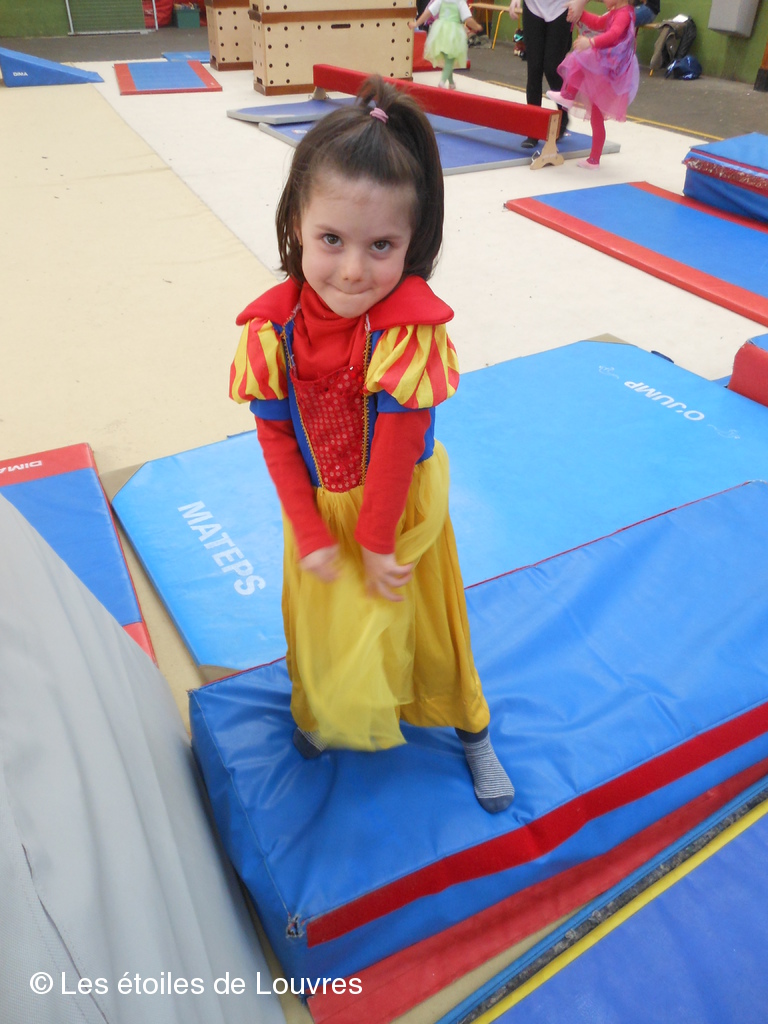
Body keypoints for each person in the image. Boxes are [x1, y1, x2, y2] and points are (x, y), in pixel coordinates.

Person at [229, 77, 514, 815]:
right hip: (319, 508)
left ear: (411, 243)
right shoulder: (271, 331)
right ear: (296, 223)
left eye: (381, 246)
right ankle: (320, 709)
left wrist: (378, 539)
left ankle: (471, 726)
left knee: (430, 626)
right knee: (323, 626)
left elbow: (399, 434)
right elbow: (274, 433)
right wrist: (310, 530)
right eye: (332, 240)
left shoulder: (407, 331)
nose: (354, 269)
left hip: (399, 507)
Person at [546, 0, 639, 169]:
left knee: (580, 57)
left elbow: (614, 34)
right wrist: (580, 13)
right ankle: (594, 160)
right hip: (607, 66)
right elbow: (597, 22)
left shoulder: (624, 14)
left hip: (610, 67)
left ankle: (568, 95)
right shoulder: (616, 12)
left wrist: (591, 42)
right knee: (596, 114)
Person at [507, 0, 573, 149]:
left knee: (552, 68)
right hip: (533, 6)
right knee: (534, 68)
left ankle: (563, 115)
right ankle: (533, 130)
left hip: (560, 8)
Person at [408, 0, 484, 89]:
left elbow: (428, 12)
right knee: (450, 58)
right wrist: (477, 26)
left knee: (448, 58)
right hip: (453, 32)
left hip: (440, 30)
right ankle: (442, 81)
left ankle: (451, 82)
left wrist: (416, 23)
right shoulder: (460, 2)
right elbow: (467, 18)